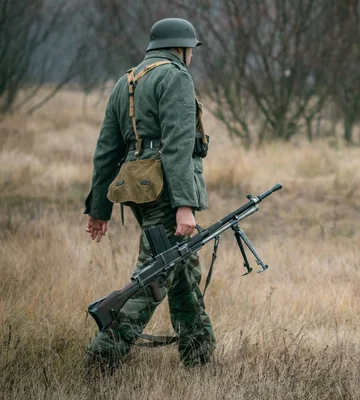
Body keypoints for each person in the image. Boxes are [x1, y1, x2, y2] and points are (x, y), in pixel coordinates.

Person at [84, 17, 216, 372]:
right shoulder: (175, 77)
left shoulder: (126, 80)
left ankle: (200, 359)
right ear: (182, 48)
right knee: (152, 279)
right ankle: (102, 356)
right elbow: (177, 146)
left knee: (183, 274)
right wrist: (184, 206)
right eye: (191, 50)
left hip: (139, 190)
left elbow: (106, 151)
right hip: (167, 194)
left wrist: (99, 209)